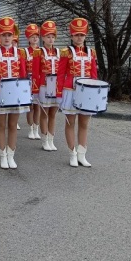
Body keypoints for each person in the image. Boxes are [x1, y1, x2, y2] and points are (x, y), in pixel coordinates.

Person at [0, 17, 28, 169]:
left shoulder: (20, 53)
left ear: (13, 36)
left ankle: (11, 154)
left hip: (15, 94)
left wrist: (24, 93)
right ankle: (3, 155)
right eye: (3, 35)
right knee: (1, 125)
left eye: (9, 35)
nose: (6, 38)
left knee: (13, 124)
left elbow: (23, 74)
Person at [57, 17, 99, 167]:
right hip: (70, 90)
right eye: (76, 35)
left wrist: (95, 93)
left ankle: (82, 154)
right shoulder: (65, 52)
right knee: (70, 122)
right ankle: (72, 153)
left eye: (82, 35)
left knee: (84, 123)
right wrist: (59, 95)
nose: (79, 37)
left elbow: (94, 75)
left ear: (85, 36)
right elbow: (61, 74)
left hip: (86, 91)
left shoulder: (91, 52)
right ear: (71, 36)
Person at [34, 21, 61, 151]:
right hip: (44, 86)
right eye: (48, 36)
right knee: (44, 113)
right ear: (43, 38)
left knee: (53, 114)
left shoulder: (60, 52)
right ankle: (44, 139)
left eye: (52, 37)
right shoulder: (38, 52)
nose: (50, 39)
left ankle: (51, 139)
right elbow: (35, 72)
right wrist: (36, 88)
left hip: (56, 86)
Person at [23, 23, 41, 140]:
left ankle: (36, 128)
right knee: (30, 106)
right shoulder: (24, 51)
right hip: (28, 80)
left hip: (39, 80)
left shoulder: (42, 51)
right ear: (28, 38)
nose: (35, 38)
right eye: (32, 36)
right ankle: (30, 128)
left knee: (38, 105)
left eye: (37, 36)